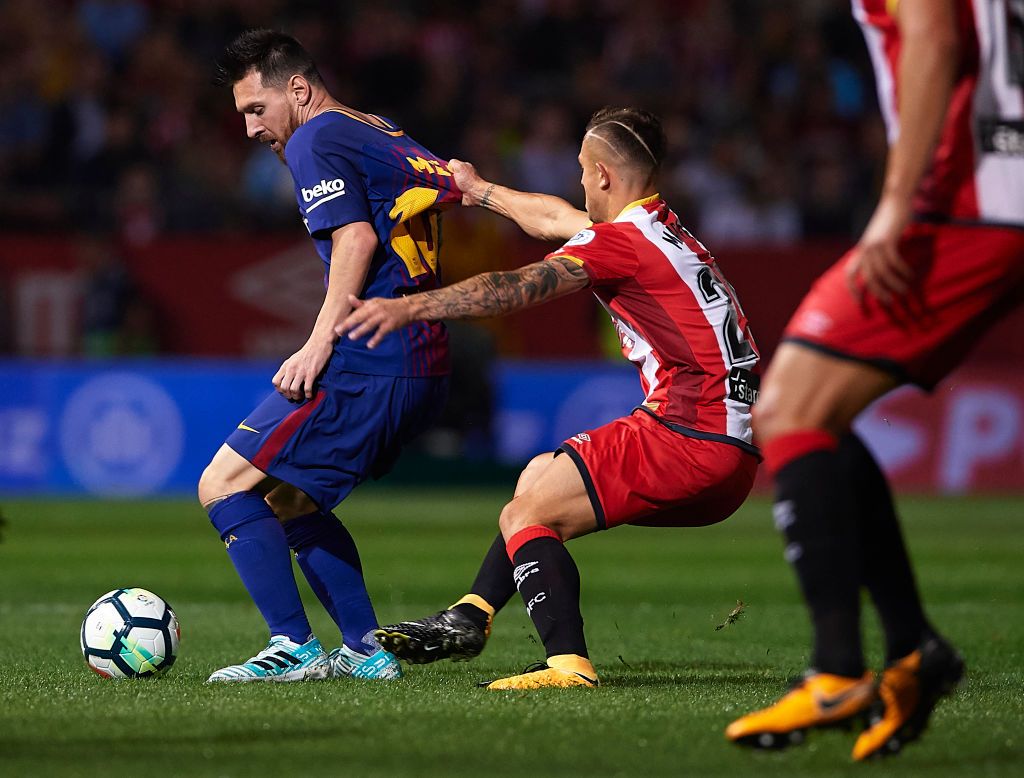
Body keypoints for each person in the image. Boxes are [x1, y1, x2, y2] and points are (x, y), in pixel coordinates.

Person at [337, 107, 762, 690]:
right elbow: (554, 218)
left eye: (584, 172)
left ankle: (568, 665)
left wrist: (410, 307)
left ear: (604, 175)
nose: (580, 185)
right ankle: (472, 613)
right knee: (538, 477)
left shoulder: (622, 245)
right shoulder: (663, 230)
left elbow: (517, 287)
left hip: (689, 435)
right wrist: (477, 190)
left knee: (529, 513)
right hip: (733, 450)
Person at [725, 0, 1024, 760]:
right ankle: (914, 650)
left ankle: (838, 668)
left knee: (789, 406)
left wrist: (895, 204)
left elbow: (933, 36)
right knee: (814, 411)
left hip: (976, 200)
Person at [199, 29, 459, 682]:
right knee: (290, 498)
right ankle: (367, 652)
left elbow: (354, 235)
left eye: (257, 109)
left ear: (298, 88)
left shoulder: (316, 137)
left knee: (223, 483)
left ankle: (292, 645)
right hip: (415, 355)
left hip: (372, 354)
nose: (252, 129)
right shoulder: (376, 127)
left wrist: (319, 342)